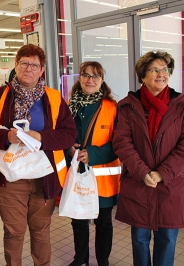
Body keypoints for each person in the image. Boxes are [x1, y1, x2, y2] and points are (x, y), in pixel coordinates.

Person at [0, 43, 77, 266]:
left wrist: (41, 138)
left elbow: (69, 134)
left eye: (35, 65)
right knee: (14, 232)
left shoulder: (53, 98)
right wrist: (7, 138)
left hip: (45, 179)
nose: (29, 69)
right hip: (11, 178)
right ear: (16, 65)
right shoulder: (1, 96)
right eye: (24, 63)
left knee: (41, 231)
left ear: (42, 70)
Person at [112, 50, 184, 266]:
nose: (162, 74)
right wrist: (142, 172)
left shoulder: (182, 107)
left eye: (165, 69)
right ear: (142, 75)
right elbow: (122, 143)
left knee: (167, 240)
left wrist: (162, 173)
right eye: (155, 70)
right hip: (139, 184)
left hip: (171, 185)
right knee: (139, 240)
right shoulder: (128, 106)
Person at [65, 61, 121, 266]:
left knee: (104, 222)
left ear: (102, 81)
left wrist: (94, 154)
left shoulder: (112, 107)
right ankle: (80, 258)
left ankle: (102, 260)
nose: (90, 80)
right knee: (78, 219)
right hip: (77, 173)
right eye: (86, 75)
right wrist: (68, 148)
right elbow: (62, 137)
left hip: (102, 177)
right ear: (80, 78)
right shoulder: (69, 106)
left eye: (95, 76)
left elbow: (121, 142)